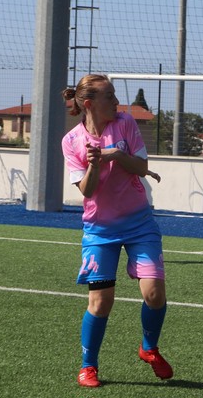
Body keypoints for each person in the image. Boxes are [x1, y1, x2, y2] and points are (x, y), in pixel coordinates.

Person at [61, 74, 173, 388]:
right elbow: (87, 191)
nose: (116, 102)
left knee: (154, 293)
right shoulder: (71, 142)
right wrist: (94, 164)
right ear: (89, 104)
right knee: (101, 302)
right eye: (109, 96)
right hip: (100, 230)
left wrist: (113, 155)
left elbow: (141, 167)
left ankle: (149, 348)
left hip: (140, 224)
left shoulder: (124, 123)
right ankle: (88, 366)